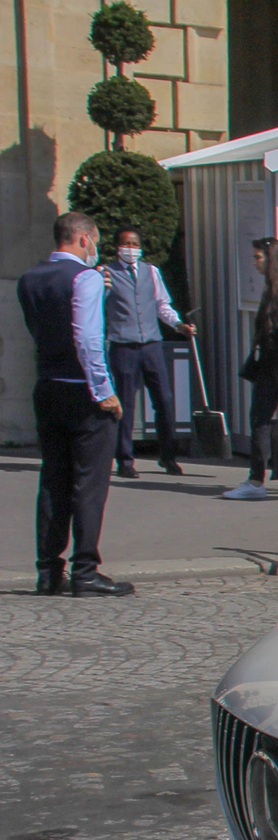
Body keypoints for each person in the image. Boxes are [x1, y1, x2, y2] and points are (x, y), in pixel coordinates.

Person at [20, 212, 131, 595]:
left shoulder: (30, 278)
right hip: (82, 390)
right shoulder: (84, 278)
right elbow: (88, 339)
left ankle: (48, 569)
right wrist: (104, 392)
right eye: (94, 240)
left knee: (53, 479)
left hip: (48, 384)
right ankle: (85, 569)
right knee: (89, 483)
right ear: (84, 239)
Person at [222, 237, 278, 501]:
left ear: (271, 258)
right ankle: (255, 480)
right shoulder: (270, 289)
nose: (254, 262)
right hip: (268, 369)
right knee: (259, 420)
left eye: (257, 257)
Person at [101, 228, 194, 478]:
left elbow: (162, 304)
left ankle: (168, 456)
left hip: (152, 343)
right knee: (126, 403)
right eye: (125, 243)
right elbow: (99, 305)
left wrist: (178, 325)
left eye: (134, 243)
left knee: (164, 399)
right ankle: (125, 459)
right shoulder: (106, 273)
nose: (130, 248)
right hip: (123, 345)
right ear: (117, 247)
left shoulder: (151, 272)